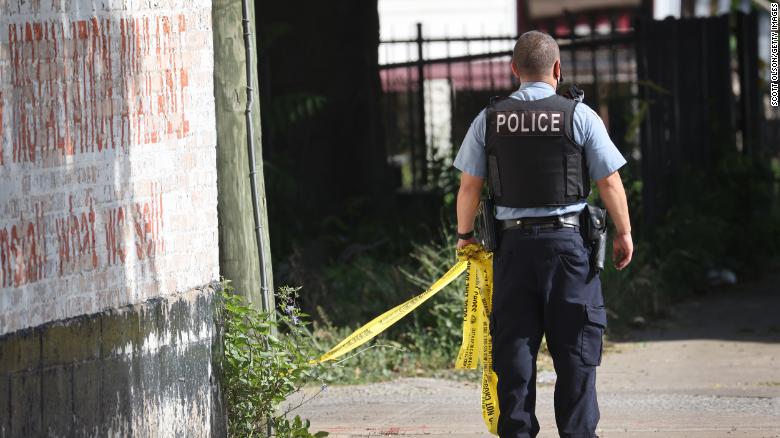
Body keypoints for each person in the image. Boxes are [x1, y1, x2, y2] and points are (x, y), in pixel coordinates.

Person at [453, 31, 633, 438]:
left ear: (514, 69)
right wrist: (624, 233)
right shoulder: (579, 115)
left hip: (513, 251)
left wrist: (465, 235)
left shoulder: (490, 119)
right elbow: (609, 182)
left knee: (514, 353)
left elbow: (469, 186)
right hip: (569, 250)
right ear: (557, 69)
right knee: (576, 356)